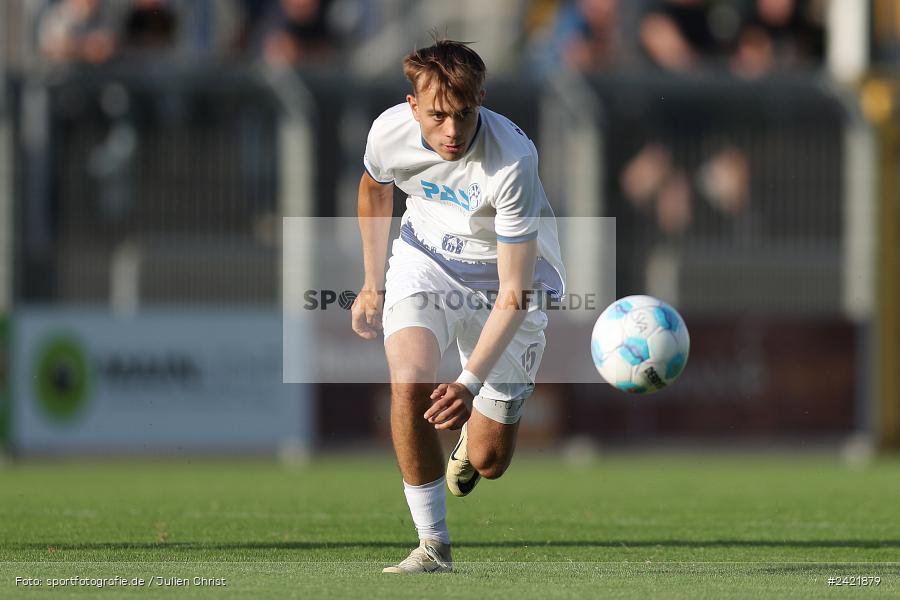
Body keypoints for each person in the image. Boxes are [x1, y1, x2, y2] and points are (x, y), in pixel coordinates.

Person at [351, 37, 566, 574]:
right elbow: (375, 190)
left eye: (465, 114)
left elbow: (513, 293)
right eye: (438, 115)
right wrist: (371, 282)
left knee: (491, 462)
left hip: (503, 285)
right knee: (408, 382)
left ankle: (475, 439)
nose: (451, 131)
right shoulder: (388, 131)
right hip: (425, 261)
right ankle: (433, 545)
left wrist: (468, 384)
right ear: (412, 107)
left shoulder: (513, 160)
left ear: (482, 101)